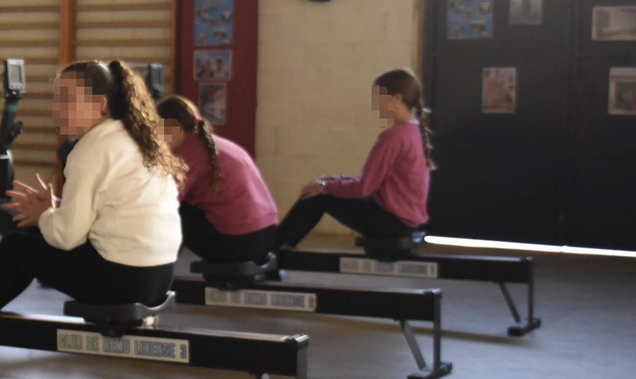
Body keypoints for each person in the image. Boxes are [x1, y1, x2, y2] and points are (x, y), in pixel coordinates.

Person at [0, 61, 181, 345]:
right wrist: (55, 210)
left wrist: (46, 215)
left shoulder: (91, 149)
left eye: (67, 99)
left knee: (17, 248)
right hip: (158, 277)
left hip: (126, 281)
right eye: (56, 99)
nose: (57, 109)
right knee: (30, 238)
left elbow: (67, 236)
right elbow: (112, 209)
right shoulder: (132, 137)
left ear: (100, 105)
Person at [274, 68, 433, 250]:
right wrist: (330, 181)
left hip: (393, 224)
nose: (376, 104)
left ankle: (270, 251)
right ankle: (280, 248)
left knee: (316, 197)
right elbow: (373, 181)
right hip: (404, 222)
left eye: (379, 98)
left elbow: (365, 188)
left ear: (396, 98)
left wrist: (323, 187)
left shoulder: (394, 137)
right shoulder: (413, 130)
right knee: (321, 190)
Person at [155, 95, 279, 265]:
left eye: (156, 130)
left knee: (171, 211)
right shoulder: (212, 143)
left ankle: (158, 268)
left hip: (240, 243)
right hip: (266, 235)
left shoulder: (188, 152)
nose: (155, 138)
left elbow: (164, 200)